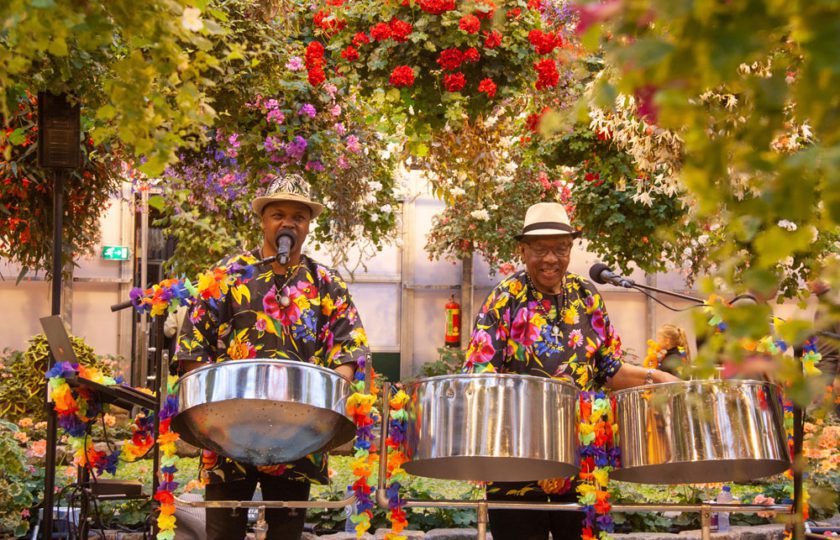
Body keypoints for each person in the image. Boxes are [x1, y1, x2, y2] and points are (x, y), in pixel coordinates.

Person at [462, 202, 679, 540]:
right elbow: (479, 377)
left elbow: (610, 368)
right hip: (517, 462)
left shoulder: (587, 295)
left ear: (571, 248)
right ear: (522, 250)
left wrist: (658, 378)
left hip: (581, 458)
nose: (551, 258)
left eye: (560, 248)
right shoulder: (505, 298)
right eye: (540, 249)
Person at [176, 173, 369, 540]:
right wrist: (213, 418)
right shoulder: (228, 276)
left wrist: (320, 414)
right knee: (222, 533)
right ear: (263, 220)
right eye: (278, 214)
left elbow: (349, 349)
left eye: (298, 216)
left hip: (298, 432)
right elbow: (192, 347)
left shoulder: (325, 282)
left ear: (308, 225)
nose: (288, 223)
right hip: (228, 427)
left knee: (286, 533)